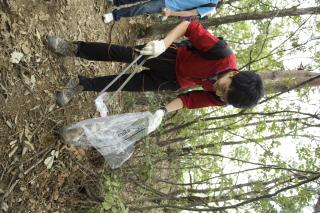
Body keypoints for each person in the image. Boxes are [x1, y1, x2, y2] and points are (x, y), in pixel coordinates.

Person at [47, 20, 264, 121]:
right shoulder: (222, 54)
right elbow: (189, 26)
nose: (218, 93)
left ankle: (81, 84)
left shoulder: (225, 97)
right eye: (224, 89)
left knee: (126, 84)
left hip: (171, 82)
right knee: (122, 54)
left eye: (223, 97)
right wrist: (163, 43)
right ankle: (74, 48)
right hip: (169, 55)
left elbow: (190, 100)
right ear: (233, 74)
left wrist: (162, 112)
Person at [102, 0, 223, 23]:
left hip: (169, 4)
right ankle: (115, 1)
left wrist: (171, 13)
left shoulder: (211, 5)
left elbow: (191, 13)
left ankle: (114, 15)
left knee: (143, 8)